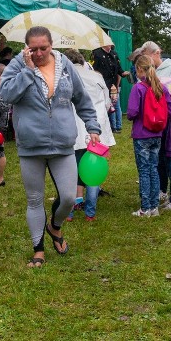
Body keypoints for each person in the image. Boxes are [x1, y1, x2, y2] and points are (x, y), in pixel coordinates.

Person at [0, 26, 100, 268]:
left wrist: (92, 126)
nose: (38, 53)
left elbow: (81, 98)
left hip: (63, 143)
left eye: (43, 48)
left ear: (51, 45)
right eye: (33, 49)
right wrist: (28, 71)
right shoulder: (17, 65)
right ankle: (38, 250)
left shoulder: (65, 66)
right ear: (26, 48)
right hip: (31, 145)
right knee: (34, 200)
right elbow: (5, 94)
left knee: (68, 198)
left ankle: (54, 226)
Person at [63, 49, 115, 222]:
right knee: (94, 169)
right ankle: (90, 213)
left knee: (71, 170)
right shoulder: (96, 77)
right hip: (96, 128)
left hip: (74, 129)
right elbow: (108, 103)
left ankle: (68, 212)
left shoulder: (64, 77)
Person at [127, 55, 171, 217]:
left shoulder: (138, 88)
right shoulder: (161, 87)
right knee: (154, 169)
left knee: (144, 171)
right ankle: (154, 207)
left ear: (139, 69)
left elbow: (132, 113)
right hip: (157, 134)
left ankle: (145, 208)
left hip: (142, 134)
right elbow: (170, 111)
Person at [92, 44, 128, 134]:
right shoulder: (97, 53)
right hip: (102, 84)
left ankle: (116, 127)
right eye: (109, 43)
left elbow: (118, 67)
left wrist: (123, 73)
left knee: (115, 104)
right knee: (105, 105)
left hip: (113, 85)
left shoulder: (114, 54)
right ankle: (106, 126)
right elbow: (93, 69)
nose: (111, 45)